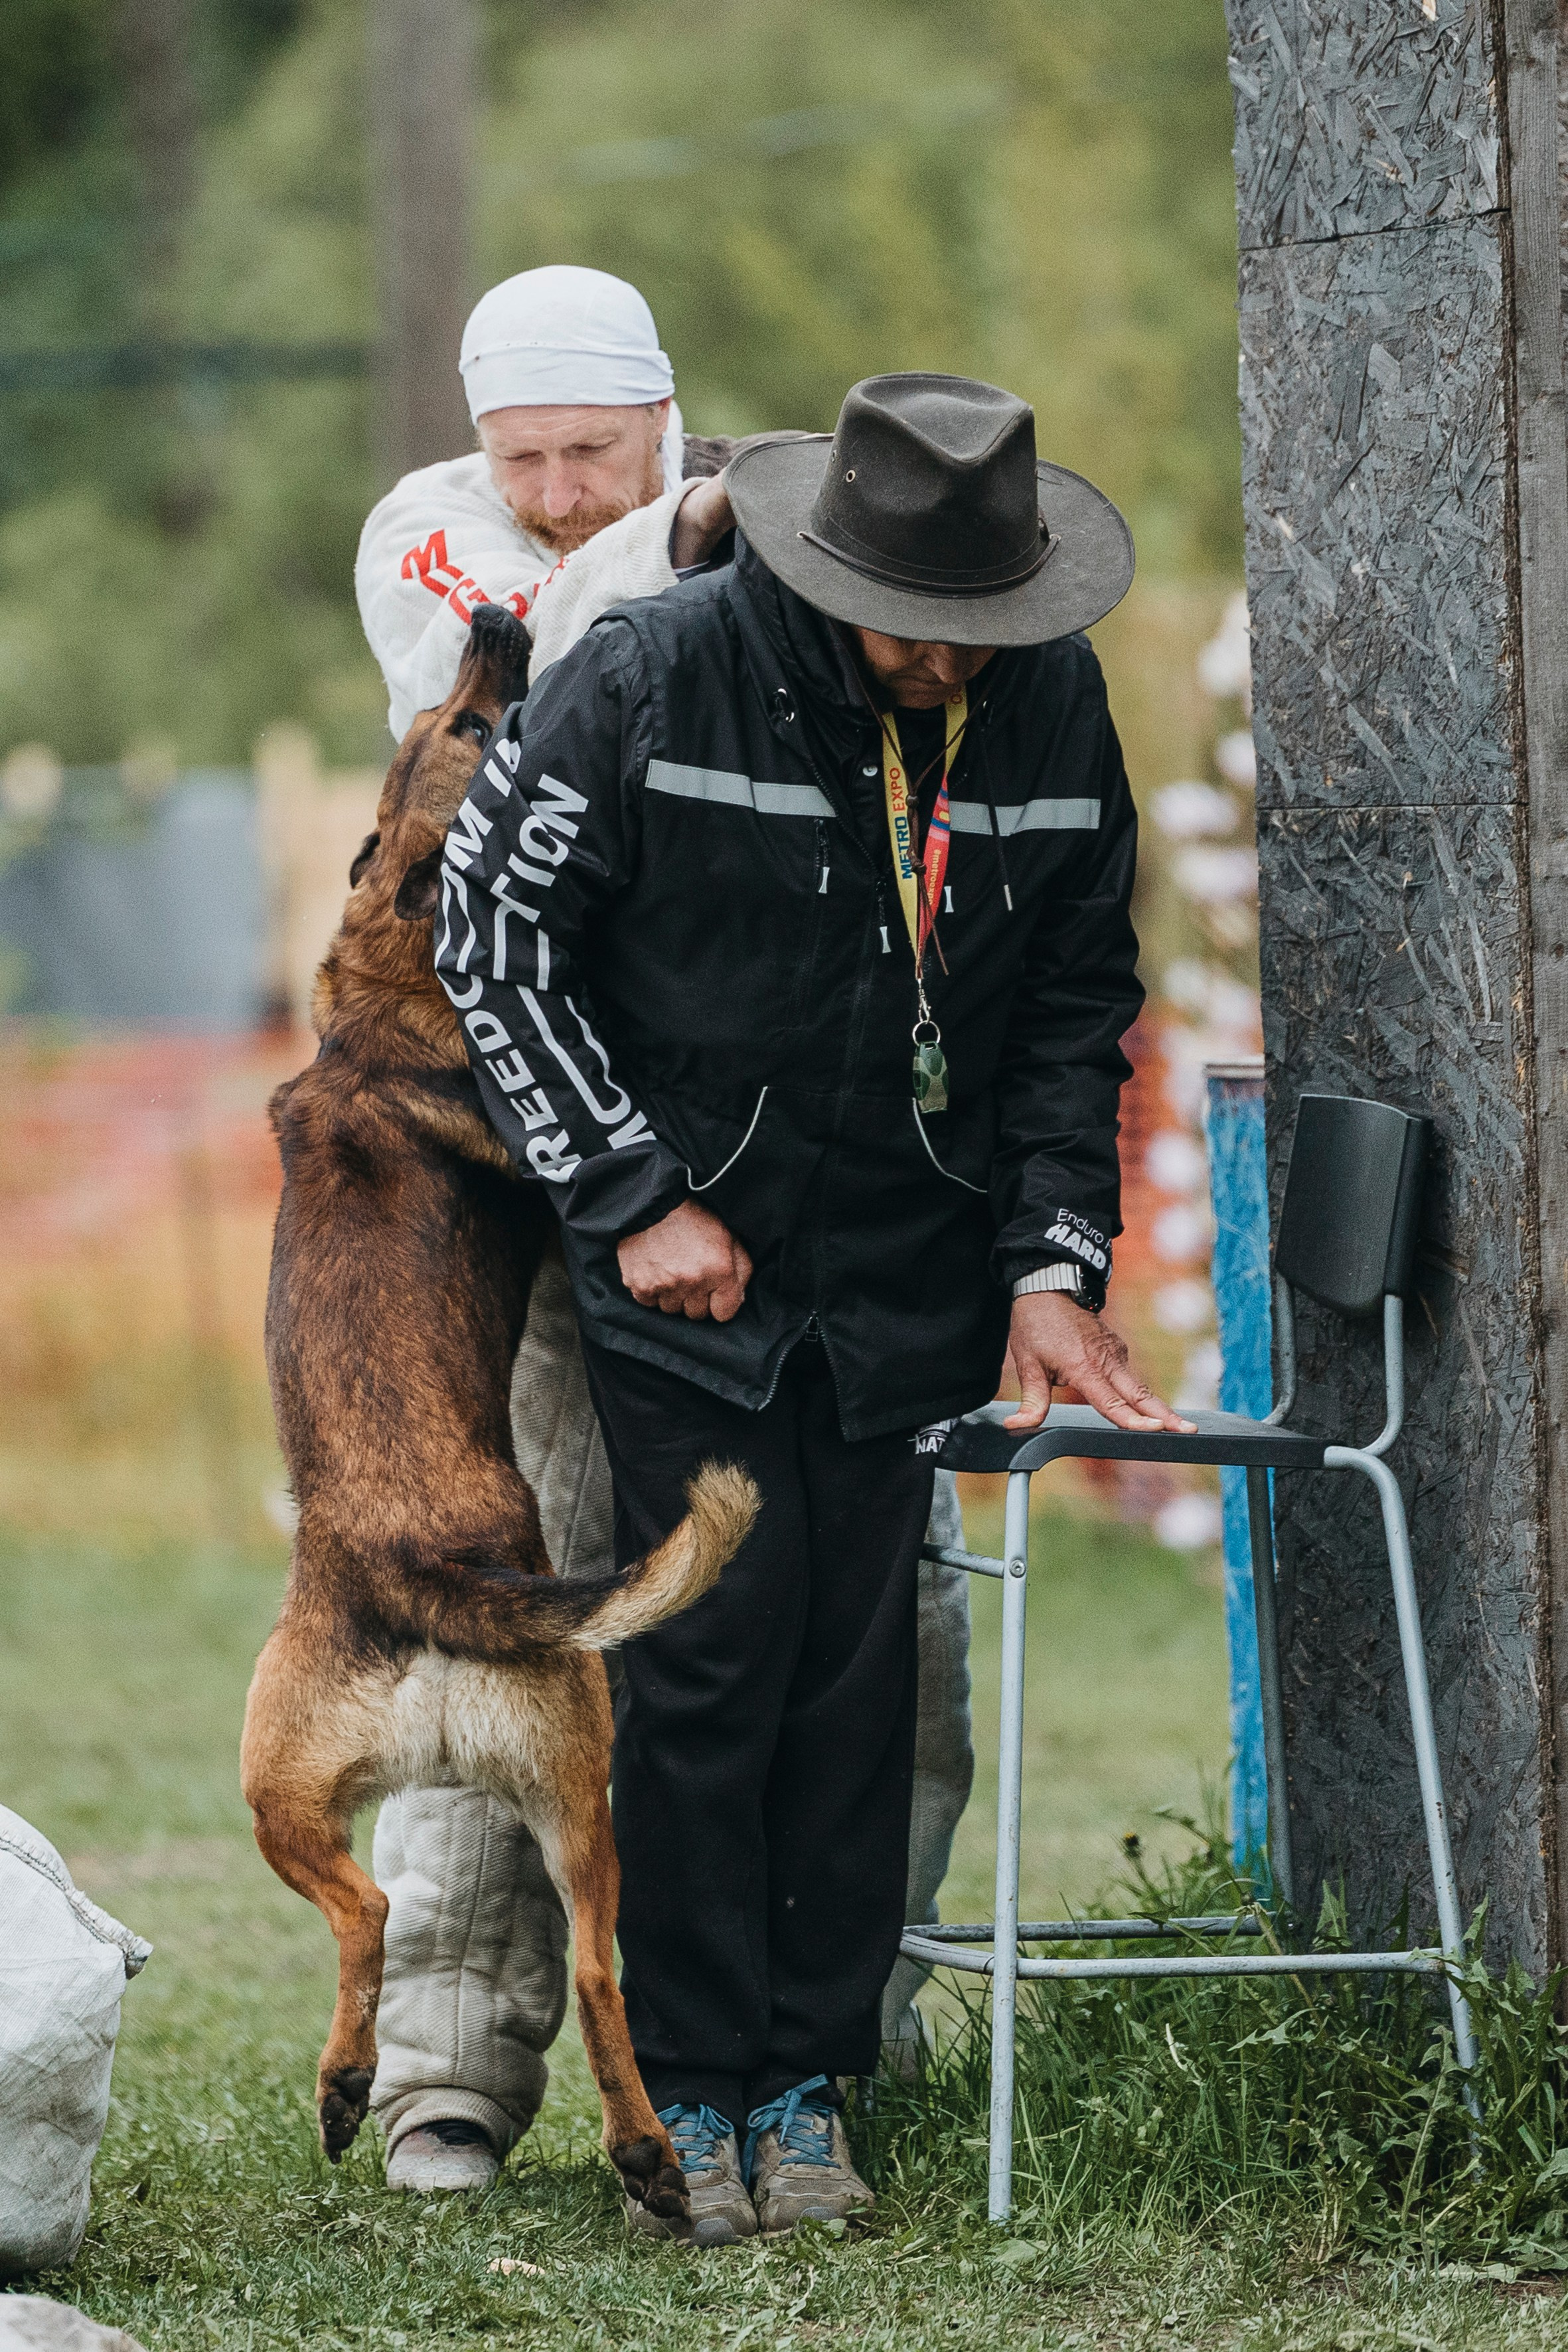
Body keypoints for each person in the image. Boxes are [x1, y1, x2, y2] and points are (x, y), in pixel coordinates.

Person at [437, 371, 1190, 2243]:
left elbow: (1074, 998)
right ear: (824, 561)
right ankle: (688, 2097)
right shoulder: (642, 675)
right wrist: (631, 1194)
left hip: (910, 1273)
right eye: (921, 630)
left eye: (985, 630)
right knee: (705, 1669)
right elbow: (488, 940)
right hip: (692, 1267)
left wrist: (1049, 1267)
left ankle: (806, 2083)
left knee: (858, 1680)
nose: (953, 665)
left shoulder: (1041, 695)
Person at [354, 268, 977, 2195]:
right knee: (534, 1583)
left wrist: (741, 531)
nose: (545, 483)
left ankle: (833, 2039)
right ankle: (452, 2060)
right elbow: (548, 664)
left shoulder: (743, 520)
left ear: (663, 413)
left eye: (590, 449)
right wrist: (701, 525)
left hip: (779, 1158)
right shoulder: (426, 533)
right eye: (520, 448)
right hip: (520, 1157)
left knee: (896, 1620)